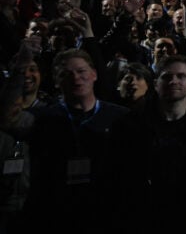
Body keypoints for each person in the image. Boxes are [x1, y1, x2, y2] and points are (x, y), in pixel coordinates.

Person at [5, 47, 130, 231]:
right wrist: (18, 73)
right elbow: (6, 118)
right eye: (66, 74)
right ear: (56, 81)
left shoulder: (120, 117)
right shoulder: (41, 118)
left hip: (105, 214)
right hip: (52, 215)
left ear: (94, 74)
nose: (75, 78)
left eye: (81, 71)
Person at [111, 54, 186, 234]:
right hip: (145, 214)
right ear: (156, 83)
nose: (174, 81)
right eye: (167, 77)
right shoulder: (130, 125)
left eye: (181, 76)